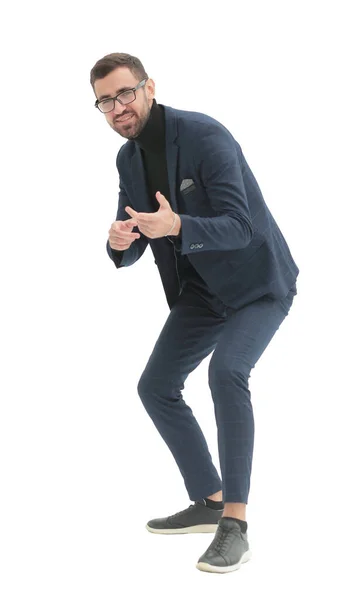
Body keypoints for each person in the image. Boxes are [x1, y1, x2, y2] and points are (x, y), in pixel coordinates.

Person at [90, 52, 299, 574]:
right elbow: (140, 230)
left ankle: (236, 523)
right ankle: (208, 498)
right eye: (104, 101)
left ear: (149, 87)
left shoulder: (205, 135)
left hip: (257, 285)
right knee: (155, 385)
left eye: (125, 93)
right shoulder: (128, 159)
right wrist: (119, 240)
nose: (118, 108)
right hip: (202, 292)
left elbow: (241, 225)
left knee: (227, 372)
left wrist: (180, 226)